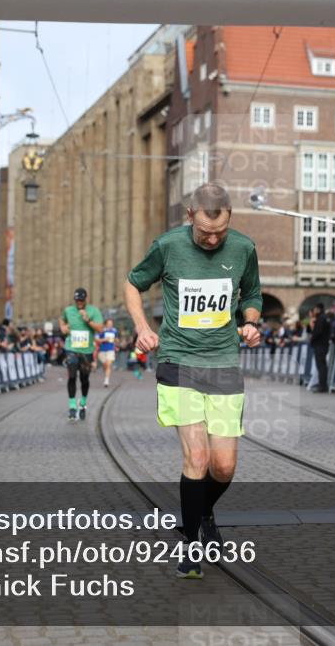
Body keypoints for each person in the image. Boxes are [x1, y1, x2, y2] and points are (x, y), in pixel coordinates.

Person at [125, 182, 263, 580]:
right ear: (190, 216)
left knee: (224, 467)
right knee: (197, 459)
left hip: (223, 363)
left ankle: (201, 510)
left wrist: (251, 324)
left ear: (230, 218)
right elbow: (133, 283)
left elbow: (252, 295)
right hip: (179, 361)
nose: (212, 238)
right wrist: (142, 327)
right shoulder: (168, 246)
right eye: (205, 231)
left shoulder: (243, 248)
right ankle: (191, 547)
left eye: (219, 231)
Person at [59, 288, 104, 421]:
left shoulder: (93, 311)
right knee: (72, 376)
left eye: (81, 300)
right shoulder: (68, 310)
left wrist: (88, 320)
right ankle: (72, 406)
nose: (79, 302)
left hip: (87, 350)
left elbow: (100, 328)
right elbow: (61, 320)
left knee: (84, 379)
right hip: (71, 348)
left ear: (85, 299)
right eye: (77, 300)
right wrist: (62, 327)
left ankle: (83, 404)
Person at [308, 303, 331, 392]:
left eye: (314, 309)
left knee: (321, 365)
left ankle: (323, 385)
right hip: (321, 344)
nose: (313, 311)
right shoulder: (321, 318)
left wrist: (312, 339)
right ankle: (322, 384)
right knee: (321, 365)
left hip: (321, 345)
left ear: (318, 309)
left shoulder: (321, 318)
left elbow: (318, 332)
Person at [96, 319, 119, 387]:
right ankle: (105, 371)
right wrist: (104, 340)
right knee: (105, 365)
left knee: (109, 364)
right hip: (102, 350)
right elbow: (97, 340)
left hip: (110, 349)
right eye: (109, 323)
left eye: (111, 323)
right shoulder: (102, 330)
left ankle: (106, 380)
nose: (110, 325)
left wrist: (116, 340)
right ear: (106, 324)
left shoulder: (114, 331)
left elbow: (117, 339)